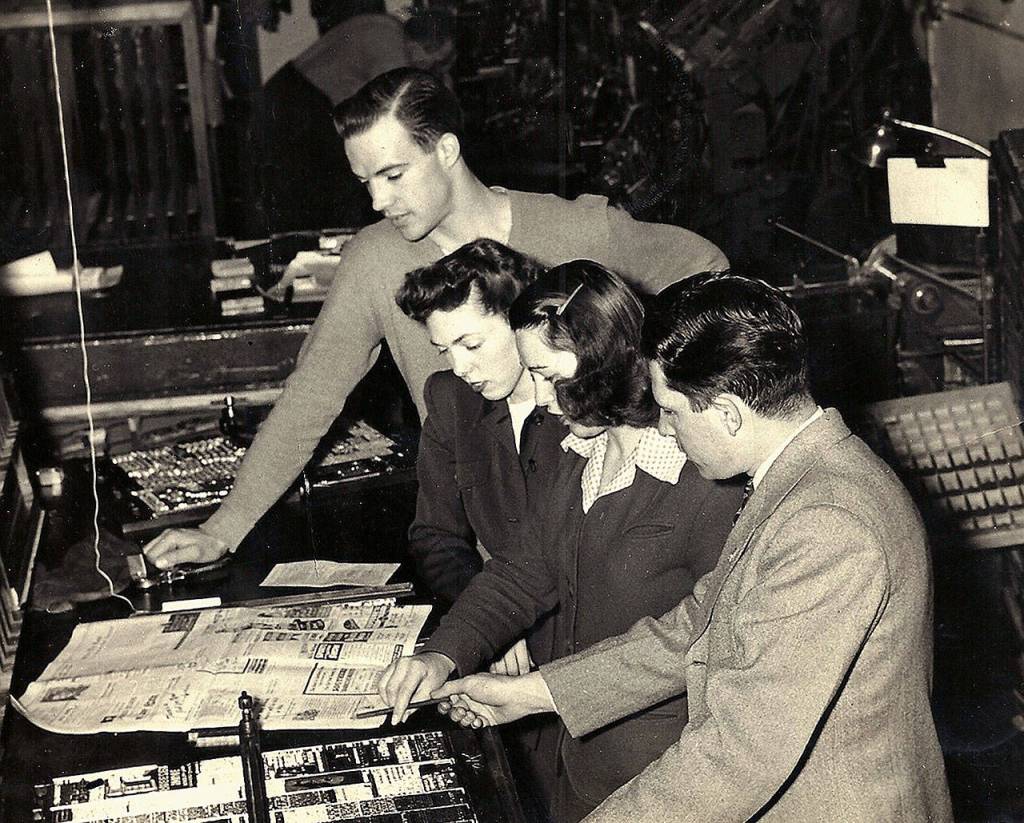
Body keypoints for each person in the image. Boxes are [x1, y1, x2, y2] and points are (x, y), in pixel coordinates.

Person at [144, 68, 727, 570]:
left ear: (446, 150)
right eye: (365, 181)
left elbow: (703, 265)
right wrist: (223, 529)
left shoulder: (576, 230)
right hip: (492, 547)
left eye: (393, 175)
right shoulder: (375, 260)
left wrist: (651, 396)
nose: (378, 201)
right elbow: (313, 393)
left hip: (608, 531)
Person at [428, 273, 954, 822]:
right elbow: (696, 627)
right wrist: (537, 693)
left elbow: (740, 754)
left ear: (727, 413)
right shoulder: (803, 479)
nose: (664, 429)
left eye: (672, 411)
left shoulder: (827, 525)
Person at [380, 262, 743, 821]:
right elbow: (520, 572)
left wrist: (535, 692)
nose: (543, 400)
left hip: (670, 780)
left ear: (605, 364)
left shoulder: (703, 479)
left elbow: (706, 640)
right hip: (584, 767)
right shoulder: (578, 456)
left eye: (550, 378)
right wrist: (441, 655)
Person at [394, 238, 566, 817]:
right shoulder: (450, 399)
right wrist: (492, 627)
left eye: (471, 344)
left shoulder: (583, 405)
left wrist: (512, 627)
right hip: (498, 645)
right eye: (444, 349)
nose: (459, 368)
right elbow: (435, 536)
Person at [261, 2, 455, 232]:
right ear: (425, 43)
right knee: (332, 190)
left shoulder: (388, 30)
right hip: (295, 103)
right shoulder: (387, 37)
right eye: (435, 59)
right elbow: (397, 103)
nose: (430, 66)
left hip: (297, 98)